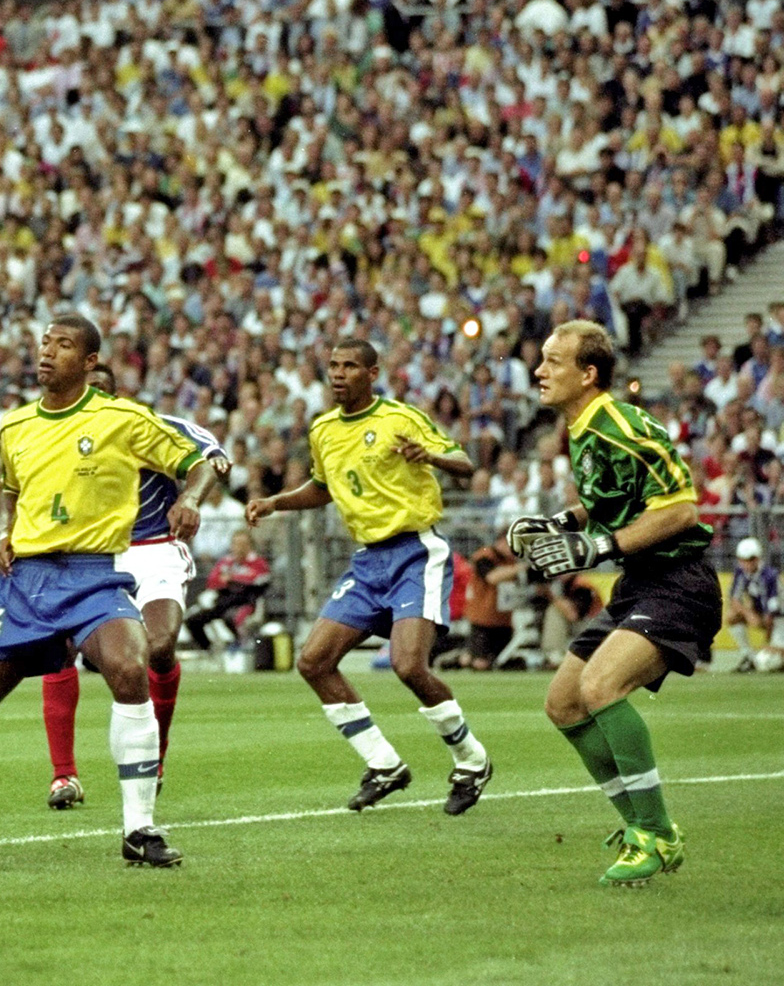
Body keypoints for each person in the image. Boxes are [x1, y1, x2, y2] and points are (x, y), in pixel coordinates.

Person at [0, 314, 209, 869]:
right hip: (27, 585)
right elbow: (12, 490)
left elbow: (198, 462)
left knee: (129, 667)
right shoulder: (15, 425)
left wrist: (191, 497)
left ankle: (139, 828)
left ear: (89, 362)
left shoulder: (123, 418)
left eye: (63, 345)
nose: (47, 352)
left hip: (93, 576)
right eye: (45, 343)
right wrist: (4, 530)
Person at [246, 338, 494, 815]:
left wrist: (430, 457)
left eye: (350, 366)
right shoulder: (323, 429)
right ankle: (384, 764)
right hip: (368, 561)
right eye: (333, 366)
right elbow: (323, 488)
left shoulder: (400, 417)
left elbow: (464, 463)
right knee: (313, 661)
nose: (338, 374)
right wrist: (277, 501)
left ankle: (471, 759)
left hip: (415, 552)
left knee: (409, 666)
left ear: (372, 373)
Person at [519, 320, 722, 887]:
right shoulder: (584, 427)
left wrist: (599, 546)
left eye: (553, 361)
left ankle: (655, 834)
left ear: (588, 374)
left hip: (679, 582)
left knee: (601, 686)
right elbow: (612, 498)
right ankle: (642, 828)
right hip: (639, 583)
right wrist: (562, 522)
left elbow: (681, 510)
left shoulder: (619, 424)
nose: (539, 370)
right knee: (563, 703)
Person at [38, 363, 224, 810]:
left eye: (102, 389)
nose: (94, 397)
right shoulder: (57, 433)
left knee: (158, 646)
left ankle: (154, 757)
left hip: (154, 547)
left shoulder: (146, 425)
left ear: (116, 393)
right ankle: (64, 775)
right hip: (91, 555)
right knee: (58, 647)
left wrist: (192, 492)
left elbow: (208, 455)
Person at [182, 529, 272, 650]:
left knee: (231, 618)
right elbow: (212, 582)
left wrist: (232, 579)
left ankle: (242, 649)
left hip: (246, 602)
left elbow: (260, 580)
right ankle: (209, 650)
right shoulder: (226, 562)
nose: (239, 548)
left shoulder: (258, 562)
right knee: (192, 621)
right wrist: (233, 580)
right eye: (236, 544)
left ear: (250, 546)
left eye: (242, 544)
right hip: (223, 601)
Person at [462, 539, 526, 671]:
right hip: (483, 617)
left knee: (501, 660)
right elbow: (492, 577)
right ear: (502, 541)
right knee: (480, 662)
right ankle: (459, 660)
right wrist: (520, 568)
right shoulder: (484, 556)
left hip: (503, 617)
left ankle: (466, 658)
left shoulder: (510, 560)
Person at [725, 538, 778, 672]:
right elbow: (734, 600)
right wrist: (748, 613)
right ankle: (748, 656)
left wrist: (768, 642)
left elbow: (772, 612)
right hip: (761, 616)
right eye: (743, 559)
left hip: (778, 620)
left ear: (757, 558)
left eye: (750, 559)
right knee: (732, 616)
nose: (746, 563)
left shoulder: (770, 575)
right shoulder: (740, 572)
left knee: (771, 662)